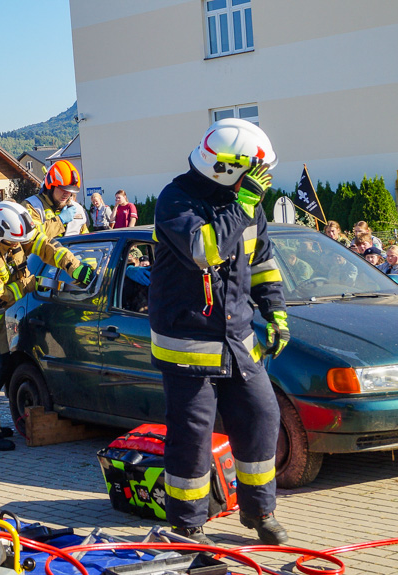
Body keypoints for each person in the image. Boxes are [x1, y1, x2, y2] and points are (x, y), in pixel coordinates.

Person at [149, 119, 289, 545]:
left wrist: (276, 312)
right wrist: (243, 204)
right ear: (227, 169)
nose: (258, 183)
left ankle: (259, 511)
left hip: (239, 340)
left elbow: (262, 261)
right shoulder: (176, 200)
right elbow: (203, 251)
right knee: (192, 438)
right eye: (253, 174)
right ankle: (188, 528)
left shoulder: (248, 204)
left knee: (263, 418)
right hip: (189, 345)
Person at [0, 201, 94, 450]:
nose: (20, 246)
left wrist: (73, 267)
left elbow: (48, 247)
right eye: (15, 243)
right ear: (1, 236)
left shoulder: (15, 234)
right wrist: (34, 283)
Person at [22, 160, 89, 239]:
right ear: (51, 186)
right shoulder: (31, 206)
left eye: (70, 191)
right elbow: (32, 237)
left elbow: (86, 241)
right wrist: (60, 220)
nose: (67, 194)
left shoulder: (78, 209)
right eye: (63, 189)